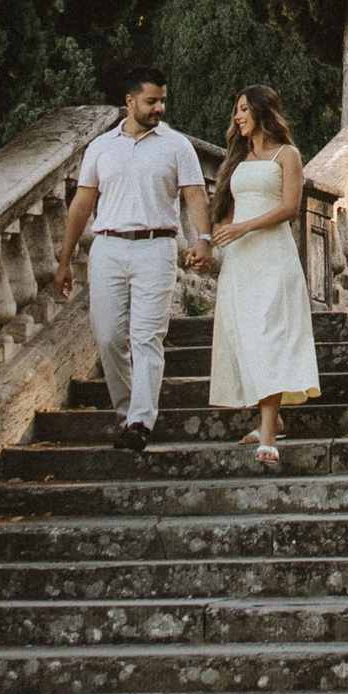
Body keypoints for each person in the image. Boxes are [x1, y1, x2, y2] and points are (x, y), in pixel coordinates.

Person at [53, 68, 212, 453]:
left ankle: (141, 421)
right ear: (130, 101)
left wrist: (204, 239)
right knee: (108, 337)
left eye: (162, 101)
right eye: (151, 101)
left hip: (156, 247)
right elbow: (81, 204)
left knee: (146, 337)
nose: (159, 108)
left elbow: (195, 196)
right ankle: (126, 415)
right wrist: (64, 258)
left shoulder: (176, 146)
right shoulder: (101, 147)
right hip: (107, 248)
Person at [206, 84, 319, 471]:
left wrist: (245, 228)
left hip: (273, 257)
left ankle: (268, 436)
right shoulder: (236, 160)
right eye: (235, 111)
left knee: (270, 336)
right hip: (240, 262)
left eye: (242, 109)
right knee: (248, 338)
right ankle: (274, 417)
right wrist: (211, 241)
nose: (237, 117)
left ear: (261, 111)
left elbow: (290, 207)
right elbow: (223, 209)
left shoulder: (288, 155)